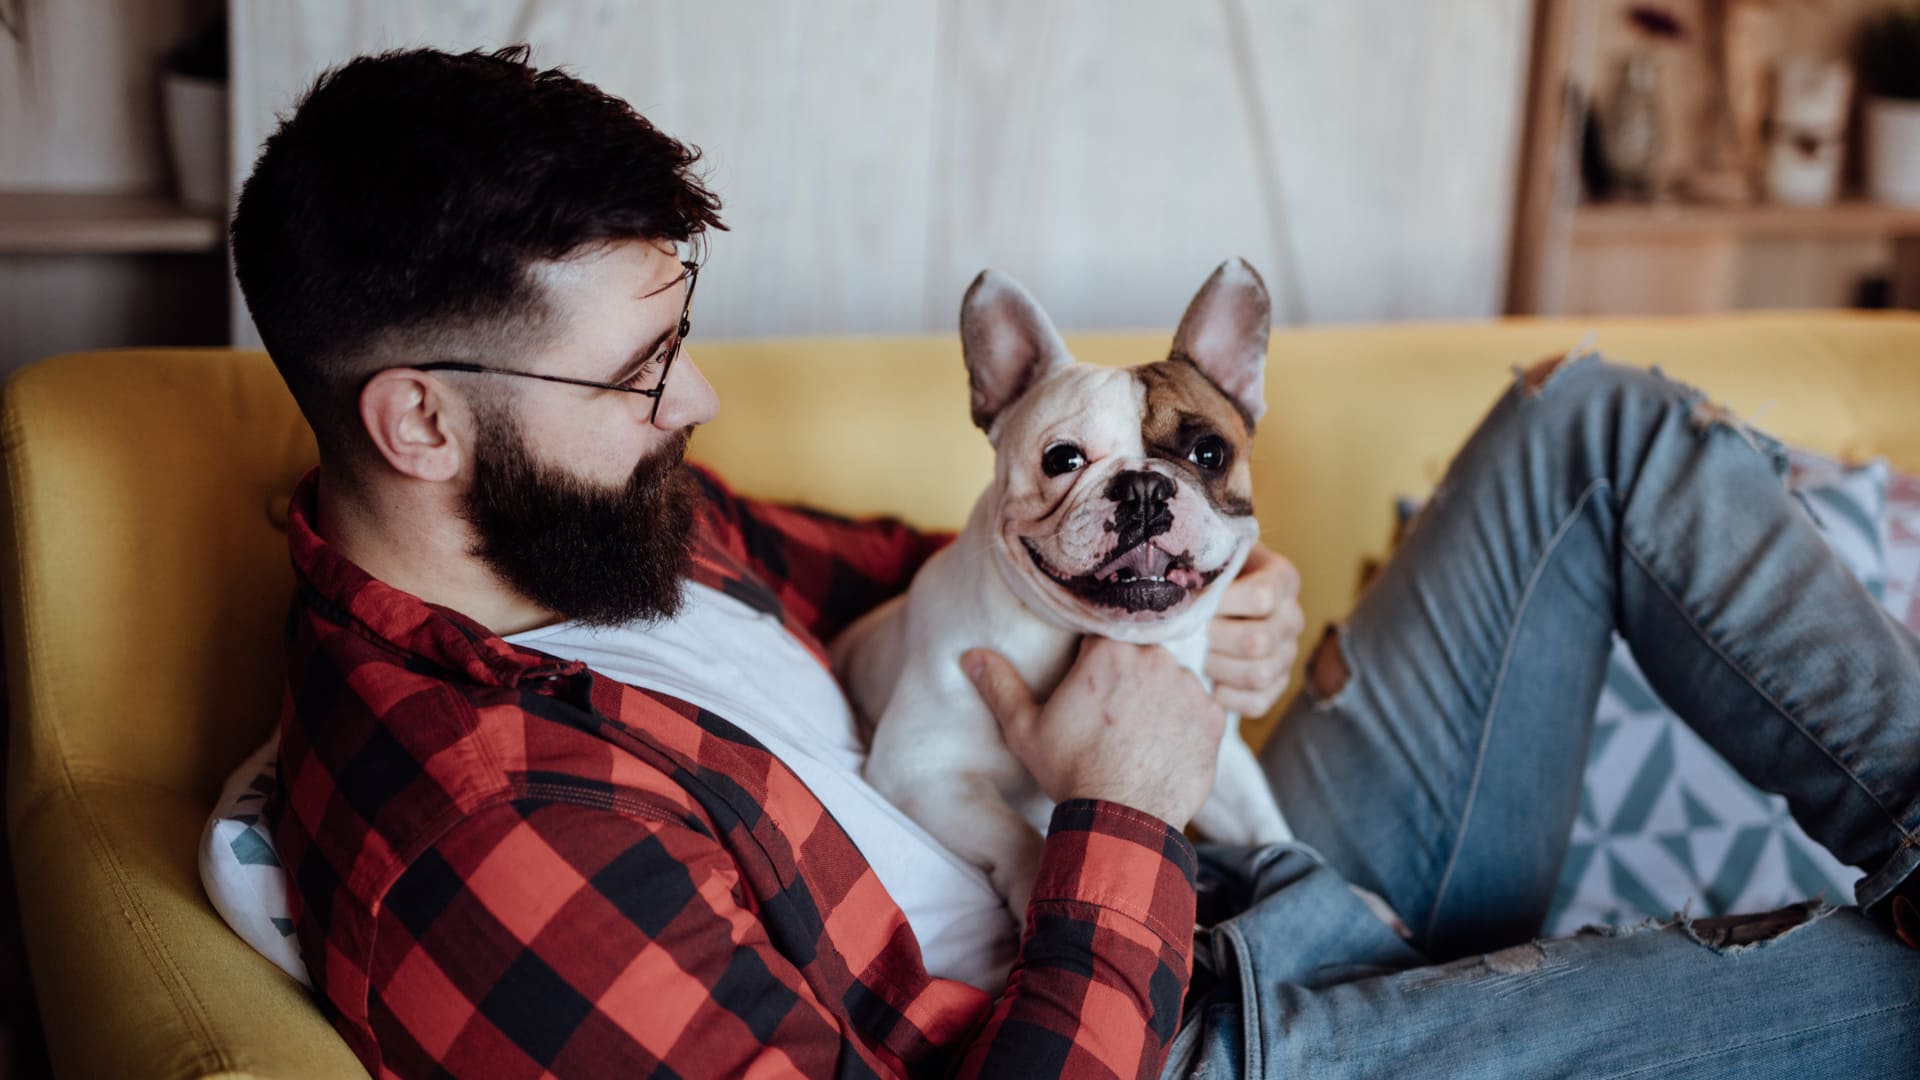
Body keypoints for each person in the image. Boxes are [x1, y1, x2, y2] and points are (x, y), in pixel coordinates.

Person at [232, 45, 1920, 1080]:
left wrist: (1210, 609)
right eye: (639, 374)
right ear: (420, 426)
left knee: (1592, 429)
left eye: (683, 341)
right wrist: (1117, 818)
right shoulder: (489, 842)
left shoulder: (604, 522)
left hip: (1207, 856)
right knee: (1887, 994)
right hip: (1180, 1029)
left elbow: (950, 563)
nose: (706, 402)